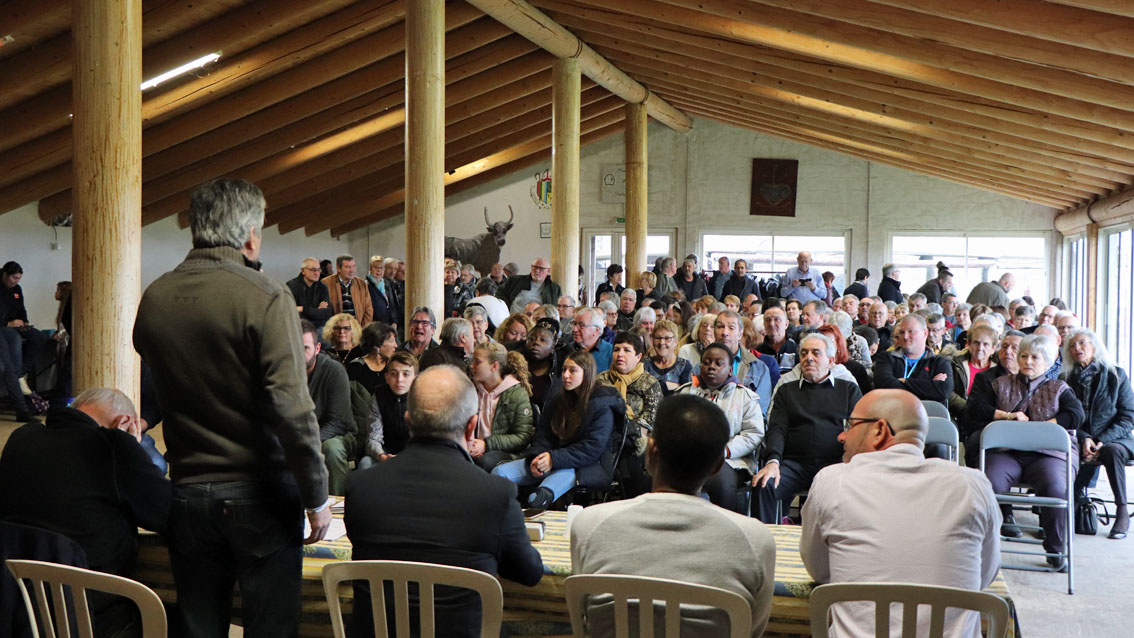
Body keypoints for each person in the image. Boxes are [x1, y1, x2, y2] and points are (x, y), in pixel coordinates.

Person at [133, 178, 330, 638]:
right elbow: (293, 411)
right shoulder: (265, 295)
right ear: (248, 236)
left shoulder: (156, 297)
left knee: (199, 627)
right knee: (270, 626)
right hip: (259, 495)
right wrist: (316, 496)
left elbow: (159, 369)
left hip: (186, 491)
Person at [344, 365, 543, 637]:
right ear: (472, 426)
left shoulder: (360, 487)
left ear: (408, 421)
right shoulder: (494, 495)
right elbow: (529, 573)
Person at [571, 394, 776, 638]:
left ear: (650, 452)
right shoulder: (755, 540)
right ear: (718, 465)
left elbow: (585, 616)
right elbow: (752, 628)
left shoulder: (588, 525)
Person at [800, 390, 1001, 638]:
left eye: (850, 425)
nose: (842, 435)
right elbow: (984, 575)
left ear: (879, 430)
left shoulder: (832, 482)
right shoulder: (973, 486)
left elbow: (820, 571)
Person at [0, 387, 171, 637]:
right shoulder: (112, 445)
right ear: (125, 422)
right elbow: (167, 514)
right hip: (93, 618)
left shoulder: (21, 437)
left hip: (18, 612)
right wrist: (134, 449)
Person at [970, 334, 1084, 564]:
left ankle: (1056, 552)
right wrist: (1007, 415)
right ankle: (983, 553)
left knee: (1056, 488)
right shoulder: (1001, 384)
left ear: (1050, 362)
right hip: (1008, 453)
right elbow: (975, 408)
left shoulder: (1059, 388)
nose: (1028, 361)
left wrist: (1041, 429)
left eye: (1035, 357)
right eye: (1024, 356)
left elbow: (1076, 415)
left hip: (1047, 455)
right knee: (987, 485)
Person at [493, 350, 626, 507]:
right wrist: (538, 457)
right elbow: (543, 435)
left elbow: (591, 449)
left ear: (587, 373)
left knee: (538, 498)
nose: (565, 375)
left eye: (572, 370)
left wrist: (553, 459)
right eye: (564, 370)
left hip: (583, 467)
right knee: (498, 475)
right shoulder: (558, 400)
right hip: (552, 460)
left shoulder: (602, 405)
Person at [753, 333, 862, 524]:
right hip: (794, 465)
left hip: (835, 464)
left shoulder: (848, 390)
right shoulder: (787, 390)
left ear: (830, 361)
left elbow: (858, 430)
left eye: (815, 353)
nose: (808, 358)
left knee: (855, 489)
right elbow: (777, 429)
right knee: (764, 484)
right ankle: (767, 544)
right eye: (804, 353)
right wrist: (772, 461)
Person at [1063, 328, 1134, 539]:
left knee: (1112, 452)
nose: (1077, 349)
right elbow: (1066, 416)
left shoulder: (1116, 375)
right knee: (1065, 449)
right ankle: (1064, 512)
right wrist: (1084, 437)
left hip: (1116, 438)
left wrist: (1101, 440)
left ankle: (1122, 511)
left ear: (1095, 346)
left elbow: (1128, 417)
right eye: (1072, 346)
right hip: (1079, 437)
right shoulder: (1065, 379)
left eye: (1082, 343)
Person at [676, 344, 764, 513]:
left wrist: (725, 451)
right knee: (662, 478)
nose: (711, 367)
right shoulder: (685, 394)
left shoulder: (745, 397)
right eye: (707, 362)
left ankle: (726, 532)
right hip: (689, 458)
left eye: (718, 363)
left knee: (719, 482)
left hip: (730, 460)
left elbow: (753, 433)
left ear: (730, 370)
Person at [598, 332, 663, 495]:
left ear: (638, 356)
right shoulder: (601, 380)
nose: (620, 354)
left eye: (627, 350)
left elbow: (650, 420)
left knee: (631, 456)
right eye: (616, 349)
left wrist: (624, 428)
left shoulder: (649, 383)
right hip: (603, 437)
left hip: (636, 440)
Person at [301, 320, 355, 496]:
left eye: (305, 348)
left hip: (336, 435)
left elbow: (339, 422)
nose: (298, 354)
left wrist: (307, 441)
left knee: (332, 449)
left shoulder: (334, 370)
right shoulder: (284, 371)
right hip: (297, 434)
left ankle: (336, 506)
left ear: (317, 349)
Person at [468, 341, 536, 471]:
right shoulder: (470, 389)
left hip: (505, 452)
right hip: (473, 447)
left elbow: (523, 437)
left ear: (494, 366)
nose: (472, 366)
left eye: (477, 362)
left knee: (485, 462)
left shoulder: (517, 394)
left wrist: (486, 445)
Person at [873, 314, 953, 409]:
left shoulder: (939, 362)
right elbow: (884, 385)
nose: (905, 337)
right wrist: (930, 385)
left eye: (911, 331)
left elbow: (943, 390)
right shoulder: (886, 358)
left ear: (925, 333)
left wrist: (903, 381)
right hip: (891, 414)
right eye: (902, 332)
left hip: (929, 416)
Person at [361, 351, 417, 467]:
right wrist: (382, 456)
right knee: (365, 463)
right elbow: (373, 437)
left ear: (415, 377)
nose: (399, 380)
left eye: (406, 374)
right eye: (393, 374)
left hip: (415, 455)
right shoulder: (378, 396)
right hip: (386, 453)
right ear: (386, 377)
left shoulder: (423, 397)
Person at [946, 324, 998, 422]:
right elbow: (949, 393)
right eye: (976, 343)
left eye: (986, 344)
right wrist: (971, 409)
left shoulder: (1000, 368)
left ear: (993, 349)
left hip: (991, 419)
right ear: (968, 344)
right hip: (961, 415)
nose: (980, 348)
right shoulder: (955, 364)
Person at [322, 254, 373, 325]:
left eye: (354, 266)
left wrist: (361, 330)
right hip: (336, 329)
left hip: (357, 329)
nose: (352, 270)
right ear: (338, 268)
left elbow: (368, 310)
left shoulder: (361, 283)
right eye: (348, 267)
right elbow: (324, 311)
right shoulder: (326, 283)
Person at [645, 319, 694, 395]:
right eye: (657, 338)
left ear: (676, 341)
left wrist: (653, 386)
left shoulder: (684, 366)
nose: (662, 342)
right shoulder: (644, 365)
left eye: (667, 338)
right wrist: (671, 386)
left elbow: (687, 392)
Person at [347, 321, 397, 393]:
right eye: (391, 341)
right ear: (377, 345)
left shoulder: (394, 366)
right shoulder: (356, 368)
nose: (396, 345)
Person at [286, 257, 333, 331]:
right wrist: (316, 310)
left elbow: (326, 313)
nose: (317, 273)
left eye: (318, 270)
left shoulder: (322, 287)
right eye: (313, 270)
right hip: (298, 327)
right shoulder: (292, 285)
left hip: (318, 326)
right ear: (303, 271)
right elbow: (290, 311)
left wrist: (302, 308)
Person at [562, 306, 613, 373]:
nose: (575, 329)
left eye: (581, 325)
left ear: (596, 330)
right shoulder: (565, 350)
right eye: (574, 324)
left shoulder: (610, 352)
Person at [757, 307, 798, 373]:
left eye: (777, 319)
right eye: (768, 320)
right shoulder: (757, 351)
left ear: (786, 324)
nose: (771, 324)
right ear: (764, 324)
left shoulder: (796, 349)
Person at [365, 255, 397, 326]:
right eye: (376, 267)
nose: (379, 270)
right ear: (370, 268)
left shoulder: (387, 284)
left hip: (388, 325)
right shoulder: (365, 285)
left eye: (381, 267)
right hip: (374, 326)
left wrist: (394, 322)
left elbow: (392, 305)